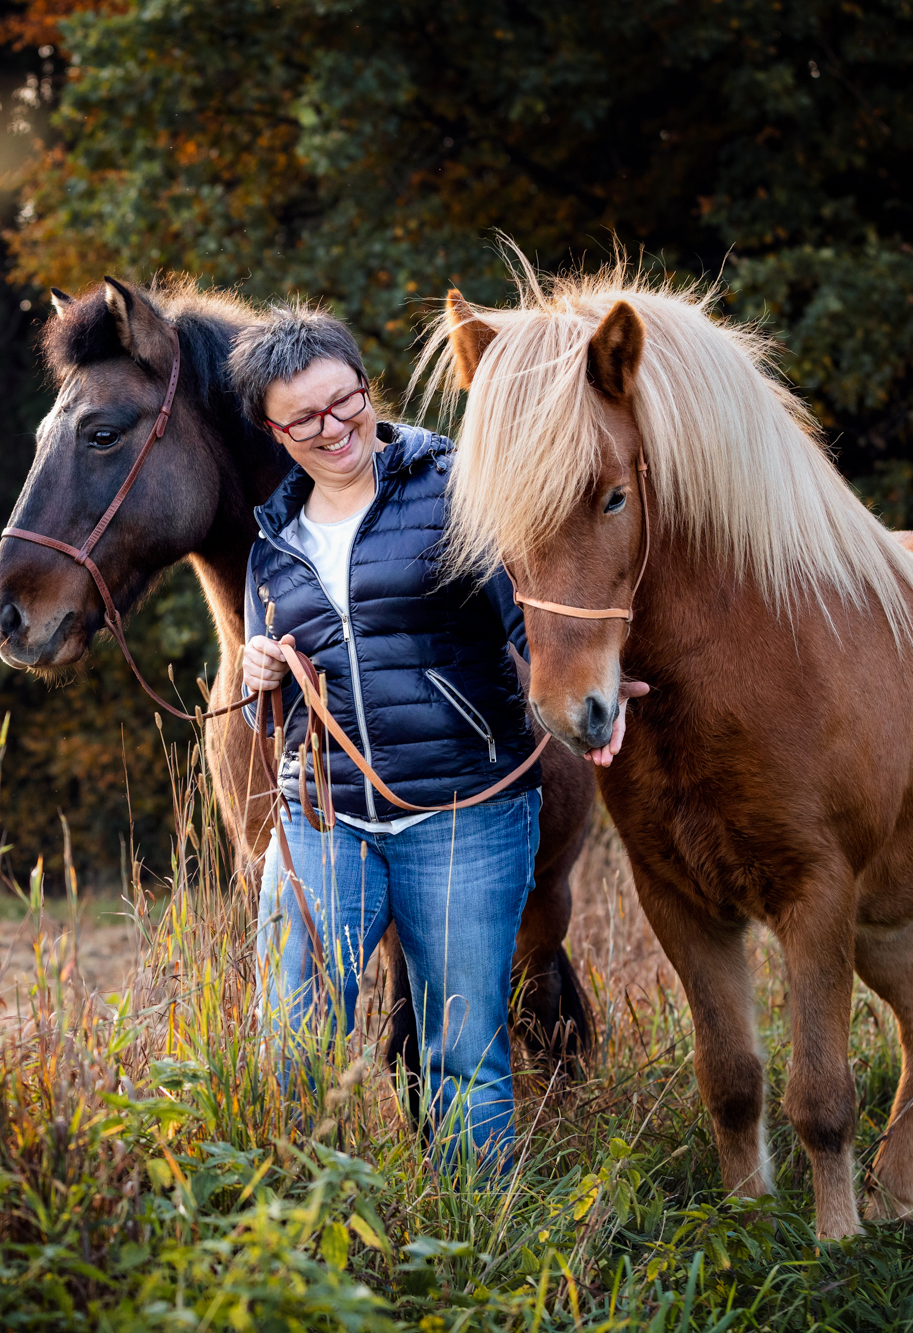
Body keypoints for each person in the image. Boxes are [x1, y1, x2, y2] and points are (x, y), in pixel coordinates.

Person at [229, 301, 631, 1166]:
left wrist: (582, 683)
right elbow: (281, 703)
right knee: (290, 1036)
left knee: (463, 1049)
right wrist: (262, 672)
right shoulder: (272, 543)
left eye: (345, 400)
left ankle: (478, 1221)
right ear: (274, 431)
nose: (334, 427)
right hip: (324, 817)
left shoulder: (458, 485)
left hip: (463, 810)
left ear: (365, 385)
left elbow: (529, 611)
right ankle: (286, 1214)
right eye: (305, 418)